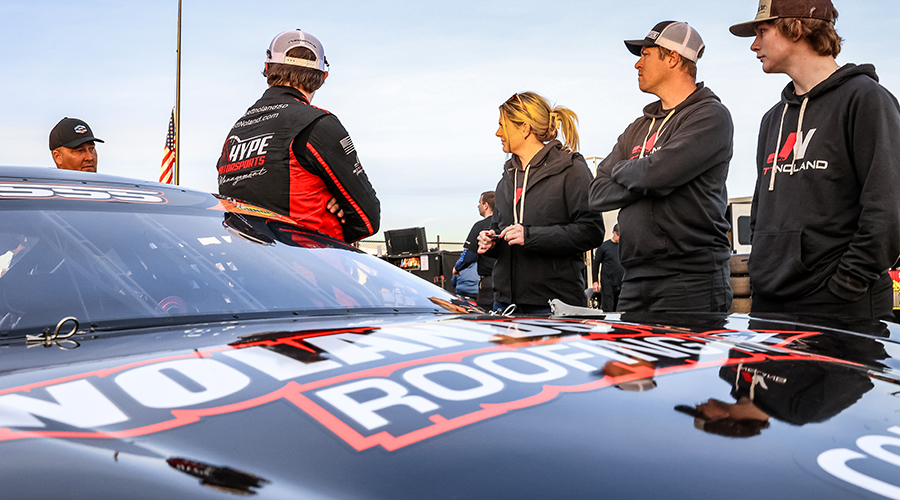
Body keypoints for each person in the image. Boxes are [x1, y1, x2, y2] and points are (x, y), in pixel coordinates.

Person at [730, 0, 900, 320]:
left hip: (840, 304)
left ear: (795, 28)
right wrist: (762, 271)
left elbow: (888, 210)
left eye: (762, 32)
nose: (754, 45)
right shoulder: (773, 119)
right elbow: (761, 213)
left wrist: (845, 285)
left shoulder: (865, 99)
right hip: (771, 304)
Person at [590, 21, 733, 313]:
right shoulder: (638, 127)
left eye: (646, 54)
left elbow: (655, 175)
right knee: (628, 360)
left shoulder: (710, 116)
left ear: (672, 58)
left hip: (691, 280)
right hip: (635, 279)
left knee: (684, 362)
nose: (637, 64)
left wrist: (634, 171)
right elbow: (596, 193)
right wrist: (645, 175)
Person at [216, 29, 380, 243]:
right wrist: (335, 214)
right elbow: (368, 219)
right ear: (323, 77)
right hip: (312, 267)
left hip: (248, 268)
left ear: (267, 68)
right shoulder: (317, 124)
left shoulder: (236, 132)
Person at [477, 92, 604, 315]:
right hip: (504, 306)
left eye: (502, 125)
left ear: (524, 128)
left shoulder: (571, 169)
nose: (497, 133)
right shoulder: (506, 179)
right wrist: (491, 243)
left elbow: (591, 231)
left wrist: (531, 236)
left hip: (554, 307)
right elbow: (500, 231)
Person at [456, 191, 498, 310]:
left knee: (487, 318)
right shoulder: (504, 223)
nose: (478, 206)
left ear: (486, 205)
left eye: (479, 203)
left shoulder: (480, 226)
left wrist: (457, 268)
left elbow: (469, 255)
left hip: (489, 283)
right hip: (507, 281)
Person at [592, 224, 624, 311]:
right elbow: (596, 264)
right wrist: (595, 281)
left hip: (621, 282)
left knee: (620, 307)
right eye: (618, 235)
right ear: (613, 232)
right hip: (608, 283)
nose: (619, 237)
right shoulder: (604, 247)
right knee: (608, 307)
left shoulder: (623, 246)